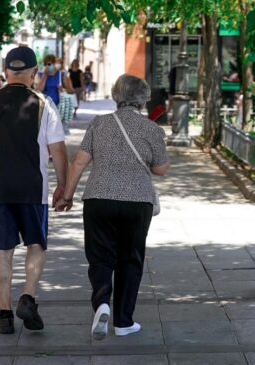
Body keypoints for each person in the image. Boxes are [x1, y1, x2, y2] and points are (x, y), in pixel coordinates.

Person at [0, 46, 69, 335]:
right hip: (32, 189)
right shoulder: (44, 103)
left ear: (6, 72)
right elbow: (57, 150)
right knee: (36, 244)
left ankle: (4, 313)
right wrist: (64, 186)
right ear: (34, 73)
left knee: (2, 250)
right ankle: (28, 297)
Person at [55, 74, 170, 340]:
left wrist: (67, 195)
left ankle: (102, 303)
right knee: (130, 259)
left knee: (100, 257)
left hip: (98, 199)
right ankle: (124, 321)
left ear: (116, 95)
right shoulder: (152, 128)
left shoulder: (99, 124)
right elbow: (161, 169)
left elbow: (79, 163)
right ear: (143, 98)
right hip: (137, 202)